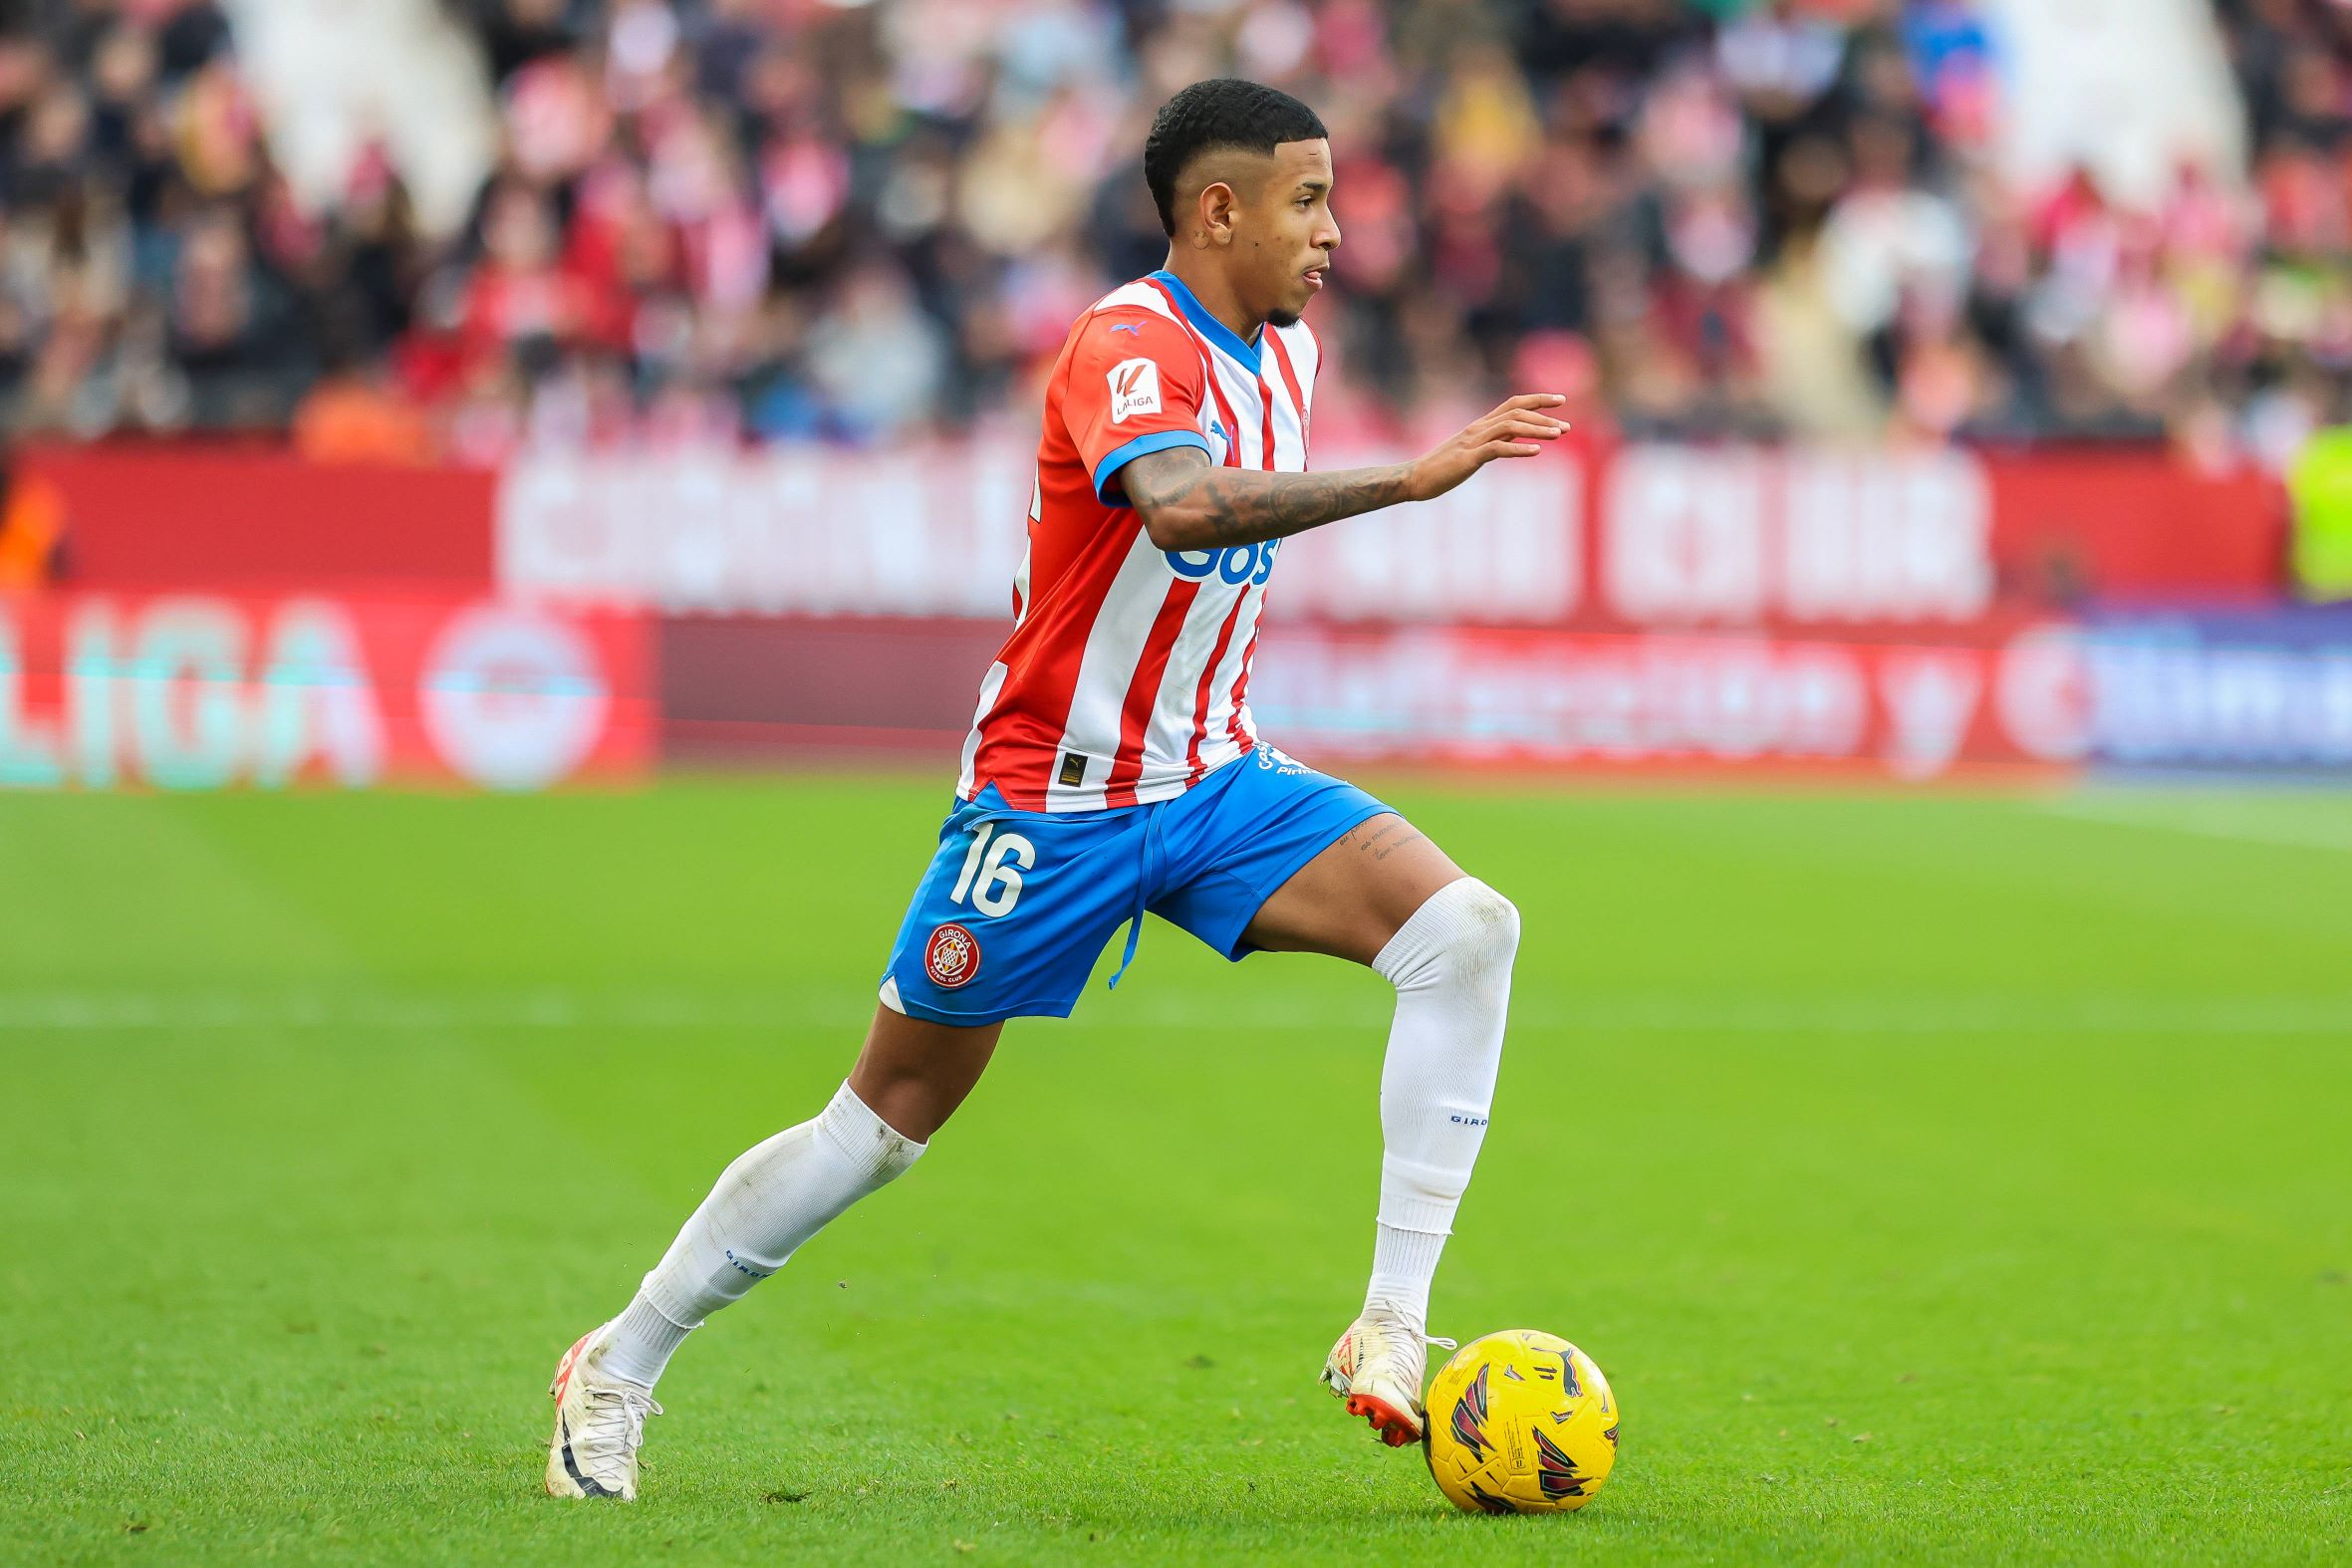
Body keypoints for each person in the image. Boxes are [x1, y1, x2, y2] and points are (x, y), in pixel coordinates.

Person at [544, 78, 1568, 1501]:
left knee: (1468, 928)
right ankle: (620, 1359)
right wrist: (1406, 481)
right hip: (1052, 804)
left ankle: (1388, 1323)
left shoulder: (1292, 354)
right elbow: (1181, 506)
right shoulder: (1124, 344)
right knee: (878, 1128)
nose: (1333, 232)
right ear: (1219, 210)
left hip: (1214, 777)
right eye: (1306, 201)